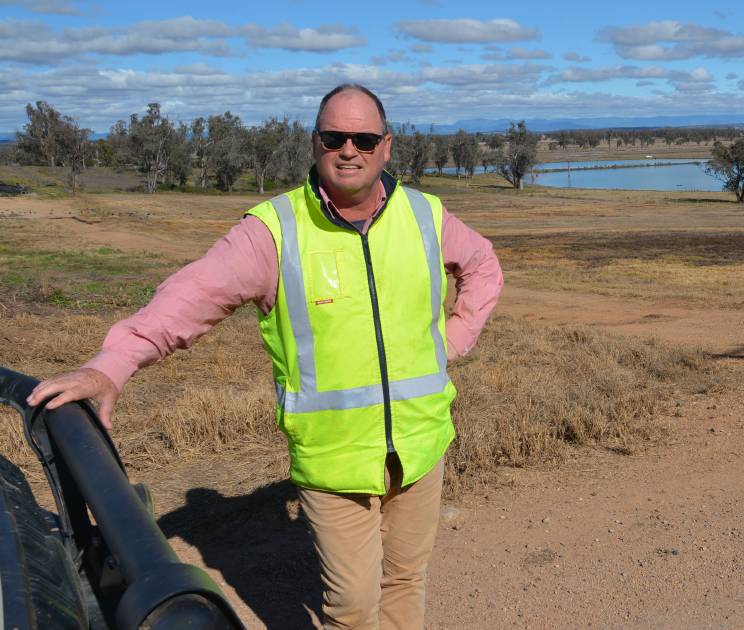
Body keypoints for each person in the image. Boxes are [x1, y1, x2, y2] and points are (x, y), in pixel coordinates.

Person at [26, 84, 503, 630]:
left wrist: (453, 340)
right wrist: (111, 365)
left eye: (364, 139)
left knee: (405, 580)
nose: (349, 149)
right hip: (334, 460)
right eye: (334, 137)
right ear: (315, 143)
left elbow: (484, 266)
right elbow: (190, 297)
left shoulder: (426, 216)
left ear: (387, 147)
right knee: (351, 607)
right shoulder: (274, 232)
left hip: (423, 445)